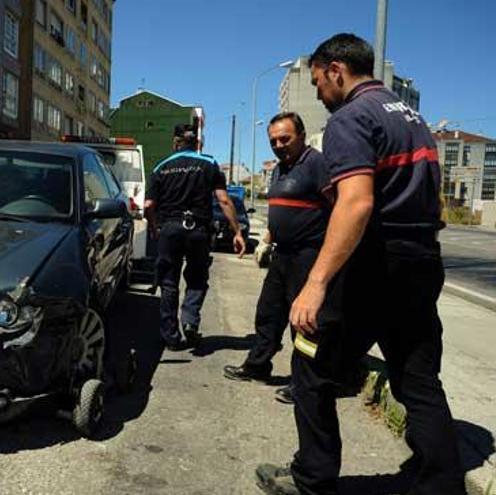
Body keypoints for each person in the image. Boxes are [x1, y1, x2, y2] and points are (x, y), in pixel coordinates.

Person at [256, 33, 465, 495]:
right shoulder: (412, 117)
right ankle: (441, 484)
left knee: (310, 365)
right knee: (417, 376)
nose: (318, 93)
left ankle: (312, 478)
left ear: (336, 70)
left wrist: (316, 284)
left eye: (317, 83)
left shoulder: (352, 118)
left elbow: (355, 204)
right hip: (421, 261)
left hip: (373, 266)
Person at [223, 112, 331, 407]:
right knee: (268, 313)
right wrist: (268, 240)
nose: (279, 145)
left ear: (302, 135)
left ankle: (304, 385)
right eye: (273, 141)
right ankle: (257, 366)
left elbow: (339, 207)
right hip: (282, 253)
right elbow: (280, 210)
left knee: (304, 323)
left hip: (308, 254)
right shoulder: (279, 169)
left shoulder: (317, 164)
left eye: (285, 138)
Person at [144, 124, 246, 351]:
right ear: (197, 143)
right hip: (198, 230)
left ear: (175, 143)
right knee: (197, 278)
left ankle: (171, 336)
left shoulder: (161, 167)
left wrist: (153, 227)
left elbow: (149, 205)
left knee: (169, 283)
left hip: (169, 229)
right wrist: (237, 232)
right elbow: (224, 200)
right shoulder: (209, 164)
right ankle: (190, 321)